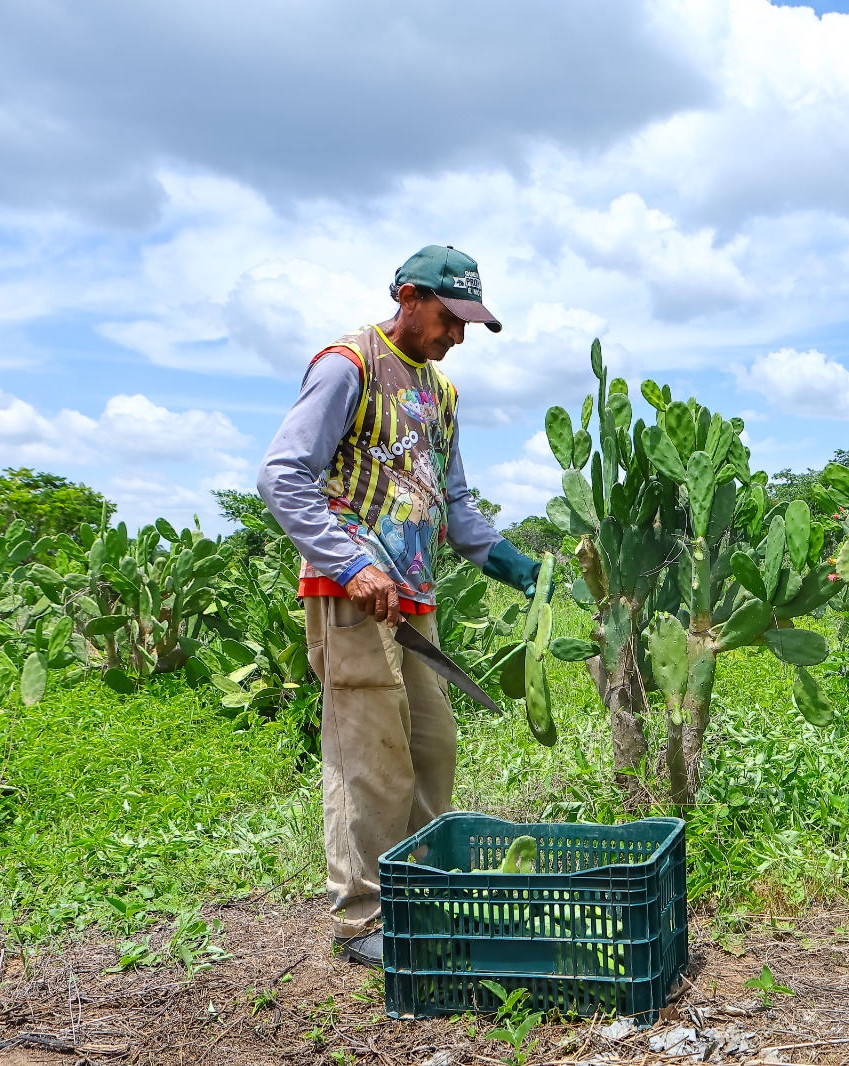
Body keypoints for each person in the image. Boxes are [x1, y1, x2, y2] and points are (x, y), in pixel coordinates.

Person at [257, 245, 547, 968]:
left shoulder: (442, 395)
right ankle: (364, 916)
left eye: (468, 324)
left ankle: (418, 899)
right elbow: (282, 474)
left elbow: (455, 504)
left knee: (432, 749)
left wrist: (518, 567)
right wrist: (351, 565)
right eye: (450, 318)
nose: (458, 336)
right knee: (371, 758)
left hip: (414, 596)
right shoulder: (348, 365)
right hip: (352, 595)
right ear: (409, 297)